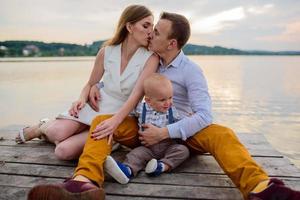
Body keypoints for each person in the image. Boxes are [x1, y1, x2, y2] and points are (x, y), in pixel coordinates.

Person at [28, 10, 300, 200]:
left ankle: (261, 188)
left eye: (156, 32)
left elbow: (205, 114)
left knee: (223, 133)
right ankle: (84, 184)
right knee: (103, 122)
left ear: (171, 43)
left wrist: (166, 133)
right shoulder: (148, 59)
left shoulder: (191, 71)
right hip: (143, 130)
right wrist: (92, 88)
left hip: (182, 134)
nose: (151, 35)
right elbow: (119, 83)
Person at [15, 4, 157, 162]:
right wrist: (81, 99)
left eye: (152, 26)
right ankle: (42, 126)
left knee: (63, 151)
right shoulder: (107, 51)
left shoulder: (151, 58)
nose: (151, 31)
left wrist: (114, 121)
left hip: (120, 113)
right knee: (57, 132)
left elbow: (137, 95)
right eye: (146, 25)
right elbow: (90, 84)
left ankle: (107, 141)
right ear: (129, 26)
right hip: (97, 103)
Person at [104, 73, 190, 184]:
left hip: (168, 146)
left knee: (183, 151)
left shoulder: (172, 110)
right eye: (162, 100)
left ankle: (161, 166)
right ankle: (127, 170)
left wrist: (189, 117)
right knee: (135, 155)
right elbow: (126, 113)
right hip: (148, 148)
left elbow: (181, 123)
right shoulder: (141, 108)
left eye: (170, 97)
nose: (168, 103)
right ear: (148, 100)